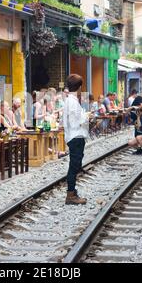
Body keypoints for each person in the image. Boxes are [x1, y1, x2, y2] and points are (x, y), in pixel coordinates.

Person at [63, 74, 89, 205]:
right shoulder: (72, 102)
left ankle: (72, 192)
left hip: (75, 136)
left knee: (75, 165)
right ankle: (71, 195)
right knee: (74, 167)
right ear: (79, 87)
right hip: (76, 136)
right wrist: (86, 117)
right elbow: (75, 122)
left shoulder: (70, 100)